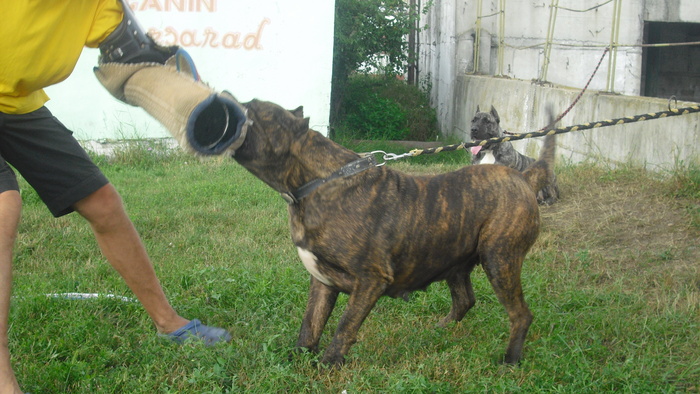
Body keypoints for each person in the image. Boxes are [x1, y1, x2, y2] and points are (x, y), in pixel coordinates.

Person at [1, 2, 232, 392]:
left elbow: (131, 59)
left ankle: (168, 322)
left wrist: (183, 93)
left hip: (16, 105)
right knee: (4, 206)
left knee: (103, 203)